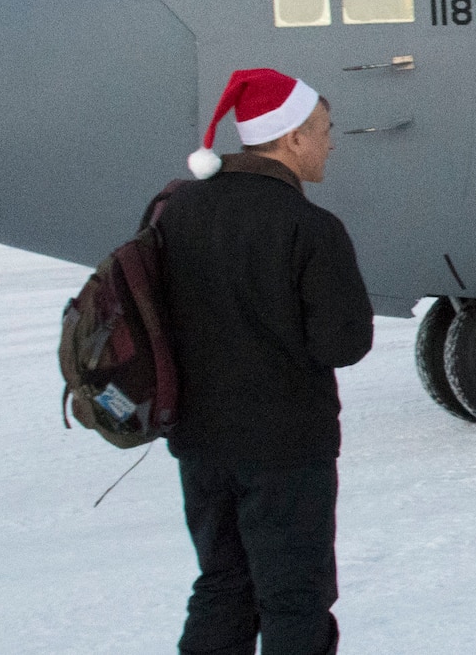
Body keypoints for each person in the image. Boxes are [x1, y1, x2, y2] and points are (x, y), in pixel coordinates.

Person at [165, 68, 377, 654]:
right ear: (292, 138)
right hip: (287, 448)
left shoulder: (176, 213)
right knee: (294, 598)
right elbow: (344, 344)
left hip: (199, 442)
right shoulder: (310, 227)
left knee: (221, 585)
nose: (332, 142)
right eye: (325, 130)